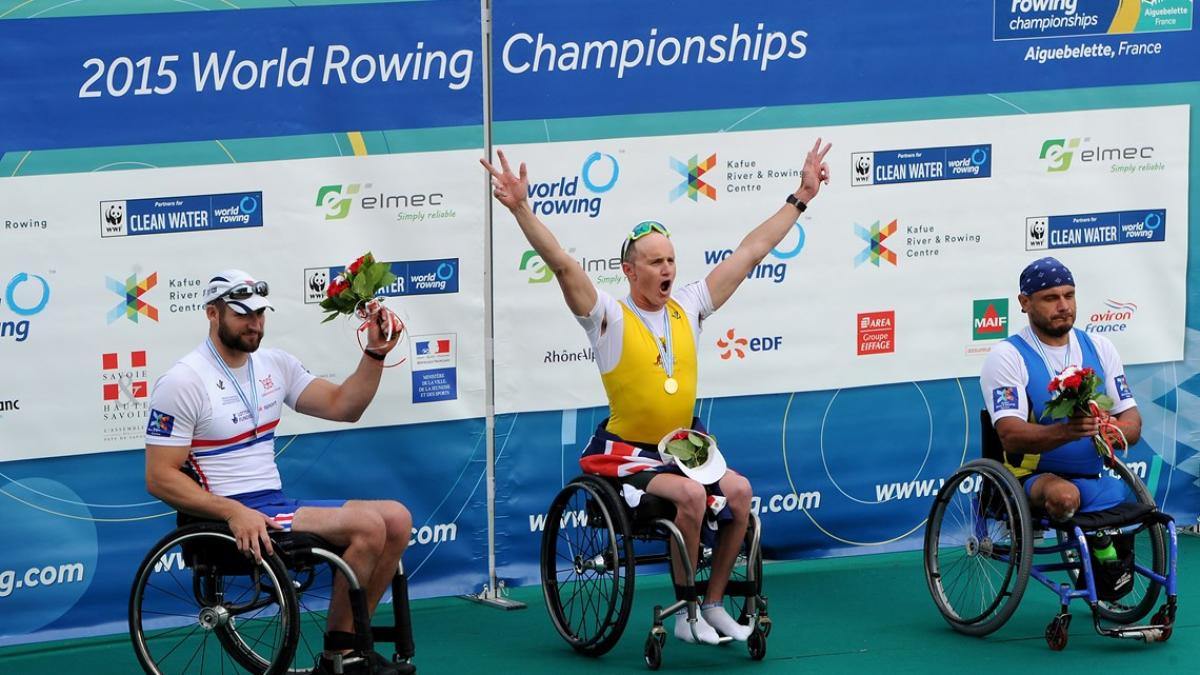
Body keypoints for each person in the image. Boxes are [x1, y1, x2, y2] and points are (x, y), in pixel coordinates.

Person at [482, 140, 831, 644]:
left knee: (740, 493)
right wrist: (520, 208)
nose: (667, 269)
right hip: (627, 456)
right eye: (654, 262)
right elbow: (560, 262)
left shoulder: (688, 305)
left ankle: (711, 603)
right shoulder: (606, 316)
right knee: (690, 495)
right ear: (630, 270)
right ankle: (686, 613)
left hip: (685, 448)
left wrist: (800, 197)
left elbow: (752, 251)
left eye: (671, 259)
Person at [144, 269, 413, 675]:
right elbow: (160, 477)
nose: (254, 323)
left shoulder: (274, 364)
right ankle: (341, 656)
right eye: (242, 315)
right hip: (227, 515)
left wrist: (375, 353)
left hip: (274, 504)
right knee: (369, 527)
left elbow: (345, 406)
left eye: (260, 314)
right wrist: (232, 512)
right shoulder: (183, 380)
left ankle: (348, 649)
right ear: (212, 314)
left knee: (397, 518)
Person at [980, 257, 1142, 538]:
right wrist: (1068, 431)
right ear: (1025, 302)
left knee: (1129, 503)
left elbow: (1133, 423)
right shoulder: (1007, 356)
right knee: (1065, 497)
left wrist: (1109, 429)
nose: (1064, 306)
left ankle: (1105, 560)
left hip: (1094, 477)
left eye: (1069, 295)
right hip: (1034, 479)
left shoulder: (1101, 347)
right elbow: (1010, 435)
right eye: (1050, 298)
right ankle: (1099, 554)